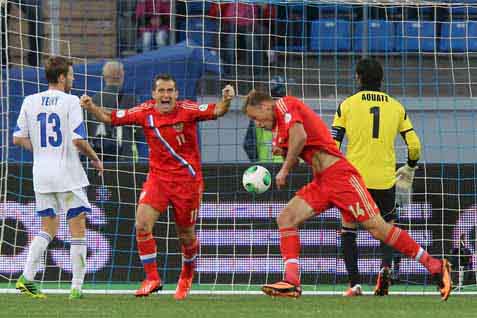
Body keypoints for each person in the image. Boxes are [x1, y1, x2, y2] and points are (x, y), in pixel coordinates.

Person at [242, 90, 452, 301]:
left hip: (341, 177)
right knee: (286, 218)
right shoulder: (279, 132)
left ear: (265, 106)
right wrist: (285, 154)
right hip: (322, 183)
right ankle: (291, 282)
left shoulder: (285, 105)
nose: (257, 124)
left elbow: (301, 137)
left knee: (378, 229)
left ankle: (435, 266)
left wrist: (285, 168)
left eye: (254, 117)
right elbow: (298, 152)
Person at [80, 74, 234, 300]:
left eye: (170, 91)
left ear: (176, 94)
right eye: (161, 91)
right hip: (158, 179)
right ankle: (152, 278)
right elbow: (110, 117)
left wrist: (227, 99)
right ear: (153, 94)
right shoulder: (144, 112)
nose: (166, 95)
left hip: (187, 182)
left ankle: (187, 275)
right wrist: (91, 106)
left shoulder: (188, 109)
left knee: (186, 234)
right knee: (142, 224)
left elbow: (219, 110)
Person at [13, 56, 104, 299]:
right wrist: (95, 158)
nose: (73, 79)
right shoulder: (70, 101)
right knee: (78, 229)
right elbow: (77, 140)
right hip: (67, 174)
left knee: (48, 228)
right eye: (71, 75)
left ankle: (27, 278)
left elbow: (17, 138)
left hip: (41, 175)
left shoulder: (30, 100)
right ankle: (76, 287)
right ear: (62, 77)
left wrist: (43, 151)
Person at [331, 57, 422, 297]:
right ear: (381, 80)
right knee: (387, 228)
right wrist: (410, 167)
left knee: (349, 229)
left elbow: (332, 145)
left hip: (354, 181)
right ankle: (386, 268)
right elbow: (414, 145)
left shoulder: (347, 105)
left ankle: (355, 284)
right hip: (385, 179)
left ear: (358, 77)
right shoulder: (396, 106)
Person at [88, 61, 139, 161]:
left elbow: (88, 131)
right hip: (125, 157)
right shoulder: (131, 100)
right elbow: (139, 132)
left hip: (99, 158)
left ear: (104, 76)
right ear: (121, 75)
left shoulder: (92, 101)